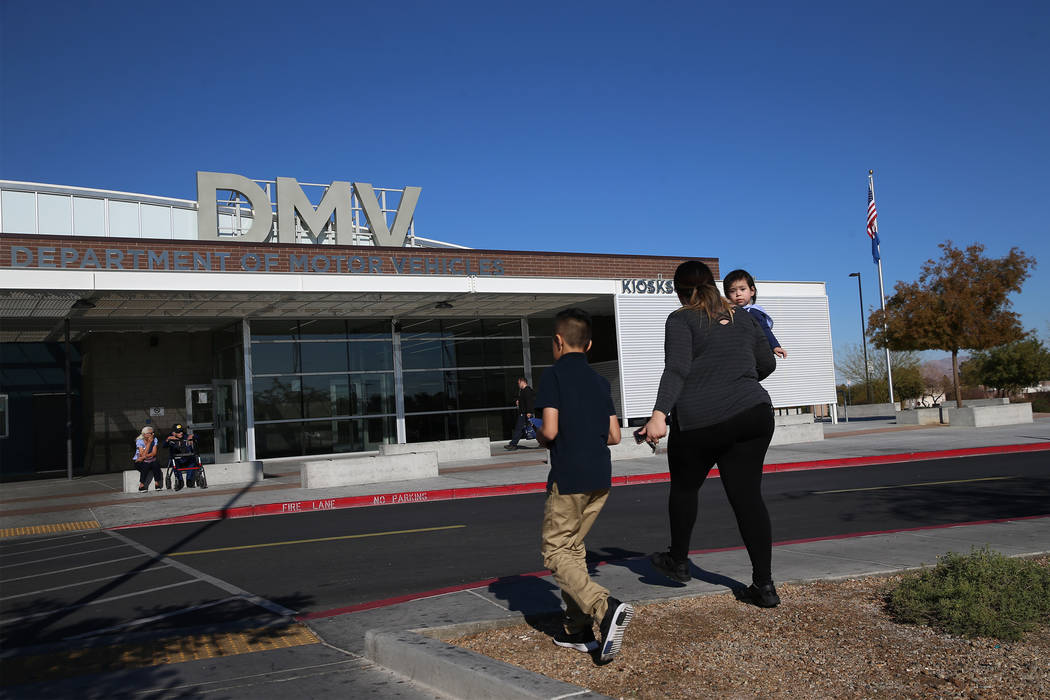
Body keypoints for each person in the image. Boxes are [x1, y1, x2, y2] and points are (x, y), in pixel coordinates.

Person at [638, 260, 781, 608]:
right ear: (715, 286)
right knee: (747, 498)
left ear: (679, 292)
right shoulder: (744, 317)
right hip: (754, 414)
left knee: (686, 488)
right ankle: (764, 586)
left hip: (701, 420)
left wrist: (659, 415)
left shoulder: (681, 318)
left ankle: (679, 560)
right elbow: (767, 364)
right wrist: (737, 379)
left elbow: (676, 369)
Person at [534, 308, 634, 662]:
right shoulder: (600, 382)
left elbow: (549, 431)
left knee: (556, 550)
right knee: (574, 549)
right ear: (589, 344)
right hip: (600, 478)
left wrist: (534, 427)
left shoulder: (552, 376)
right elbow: (615, 435)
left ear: (558, 342)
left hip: (569, 476)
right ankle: (577, 630)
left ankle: (603, 608)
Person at [723, 268, 788, 359]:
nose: (738, 294)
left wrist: (775, 346)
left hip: (752, 354)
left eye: (742, 289)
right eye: (732, 291)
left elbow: (765, 329)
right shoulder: (726, 313)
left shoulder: (753, 312)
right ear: (727, 295)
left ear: (752, 291)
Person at [504, 376, 536, 450]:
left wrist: (529, 412)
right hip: (524, 413)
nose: (518, 385)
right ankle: (545, 441)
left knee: (519, 429)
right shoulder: (523, 391)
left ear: (522, 382)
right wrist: (519, 402)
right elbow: (525, 401)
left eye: (519, 383)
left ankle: (513, 444)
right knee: (529, 428)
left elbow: (529, 402)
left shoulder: (527, 390)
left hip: (525, 413)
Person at [165, 423, 199, 491]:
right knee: (174, 462)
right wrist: (168, 439)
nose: (181, 433)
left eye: (181, 431)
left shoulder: (185, 436)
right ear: (174, 433)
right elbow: (164, 445)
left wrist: (192, 436)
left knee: (193, 460)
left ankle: (189, 480)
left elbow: (197, 437)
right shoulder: (171, 438)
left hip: (187, 458)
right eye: (178, 432)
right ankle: (180, 481)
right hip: (177, 459)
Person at [133, 426, 160, 492]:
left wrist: (142, 458)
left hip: (148, 460)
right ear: (145, 434)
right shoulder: (139, 441)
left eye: (153, 433)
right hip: (138, 462)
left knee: (156, 464)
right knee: (146, 465)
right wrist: (149, 443)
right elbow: (143, 454)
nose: (153, 434)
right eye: (151, 433)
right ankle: (141, 486)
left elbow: (154, 453)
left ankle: (157, 484)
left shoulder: (155, 439)